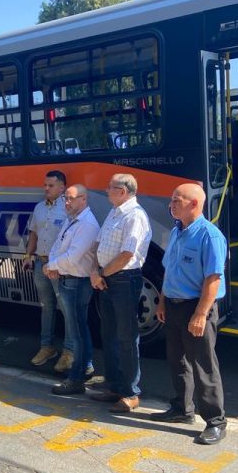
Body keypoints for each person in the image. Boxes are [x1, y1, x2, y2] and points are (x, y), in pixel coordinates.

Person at [153, 183, 228, 446]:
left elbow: (213, 279)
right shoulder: (177, 231)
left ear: (194, 204)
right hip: (173, 305)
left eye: (177, 200)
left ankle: (215, 422)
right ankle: (182, 409)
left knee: (203, 365)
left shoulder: (210, 236)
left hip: (195, 307)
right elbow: (169, 271)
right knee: (177, 360)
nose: (171, 205)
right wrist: (162, 302)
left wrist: (200, 314)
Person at [89, 173, 151, 413]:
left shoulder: (135, 216)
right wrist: (96, 271)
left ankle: (130, 393)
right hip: (107, 278)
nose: (106, 190)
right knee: (109, 335)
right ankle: (114, 386)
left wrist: (101, 274)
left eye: (110, 187)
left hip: (124, 280)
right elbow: (98, 244)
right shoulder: (114, 212)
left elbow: (127, 254)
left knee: (126, 337)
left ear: (123, 191)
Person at [46, 184, 100, 396]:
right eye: (65, 199)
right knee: (78, 328)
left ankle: (76, 378)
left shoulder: (87, 224)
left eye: (71, 198)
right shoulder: (73, 220)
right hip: (68, 279)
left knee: (77, 331)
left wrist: (51, 266)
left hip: (77, 282)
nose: (66, 203)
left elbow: (73, 256)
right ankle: (85, 366)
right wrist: (52, 264)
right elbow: (57, 246)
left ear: (83, 200)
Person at [23, 170, 75, 372]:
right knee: (46, 306)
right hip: (40, 264)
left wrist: (60, 265)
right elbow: (33, 234)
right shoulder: (39, 208)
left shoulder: (68, 208)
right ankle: (47, 347)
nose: (46, 188)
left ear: (62, 187)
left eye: (50, 185)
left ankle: (69, 352)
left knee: (66, 308)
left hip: (59, 267)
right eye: (45, 185)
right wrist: (28, 255)